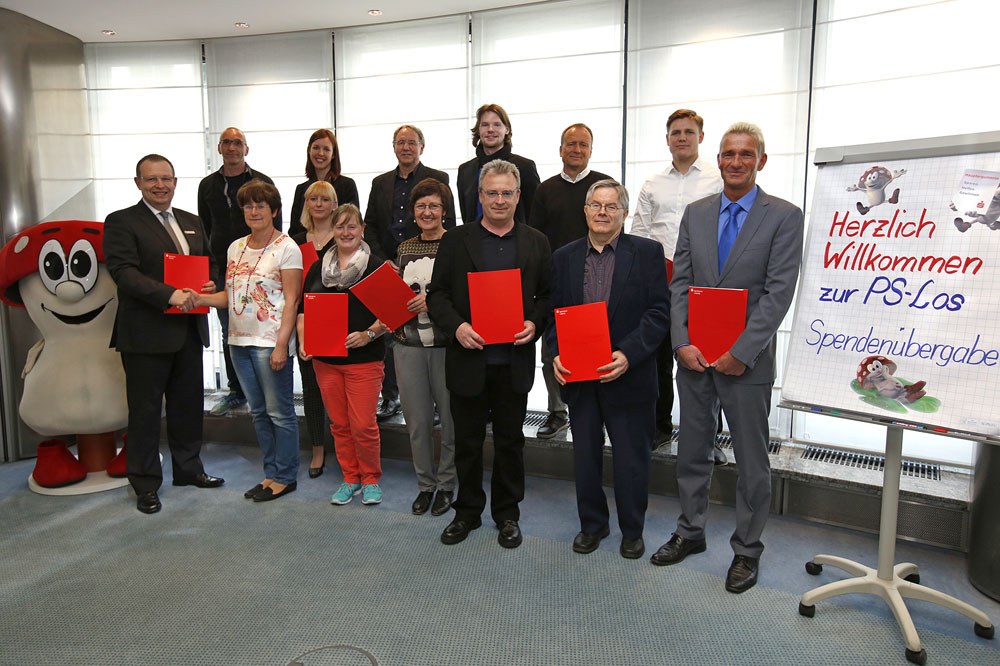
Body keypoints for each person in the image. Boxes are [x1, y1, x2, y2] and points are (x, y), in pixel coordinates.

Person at [651, 123, 803, 594]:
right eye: (728, 154)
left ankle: (746, 551)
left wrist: (741, 352)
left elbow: (778, 295)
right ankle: (690, 531)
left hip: (747, 363)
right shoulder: (695, 214)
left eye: (746, 154)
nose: (736, 161)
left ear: (761, 160)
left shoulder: (784, 216)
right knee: (692, 452)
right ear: (717, 160)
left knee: (752, 462)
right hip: (696, 358)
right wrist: (681, 343)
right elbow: (680, 285)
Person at [427, 159, 551, 549]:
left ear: (518, 196)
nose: (499, 200)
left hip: (512, 362)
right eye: (492, 193)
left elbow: (547, 297)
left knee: (511, 442)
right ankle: (467, 512)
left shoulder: (536, 241)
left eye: (507, 193)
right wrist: (458, 327)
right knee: (465, 441)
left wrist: (535, 323)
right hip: (468, 359)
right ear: (479, 196)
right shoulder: (456, 240)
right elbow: (438, 296)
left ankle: (507, 514)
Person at [548, 179, 669, 559]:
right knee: (585, 456)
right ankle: (593, 525)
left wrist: (628, 354)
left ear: (624, 213)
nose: (602, 212)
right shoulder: (564, 256)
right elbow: (554, 315)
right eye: (596, 205)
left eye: (611, 206)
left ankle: (632, 531)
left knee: (632, 460)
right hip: (580, 377)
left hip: (628, 374)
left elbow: (658, 313)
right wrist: (554, 353)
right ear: (585, 211)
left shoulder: (648, 253)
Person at [103, 154, 224, 514]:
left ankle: (188, 470)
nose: (160, 185)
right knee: (145, 412)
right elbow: (123, 272)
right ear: (138, 182)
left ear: (175, 181)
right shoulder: (121, 221)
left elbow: (211, 263)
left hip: (188, 328)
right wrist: (168, 294)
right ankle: (144, 483)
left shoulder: (191, 221)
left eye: (166, 178)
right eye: (152, 179)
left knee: (188, 406)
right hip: (145, 333)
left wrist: (210, 283)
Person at [196, 180, 302, 502]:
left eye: (260, 206)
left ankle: (286, 476)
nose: (253, 211)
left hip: (270, 342)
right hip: (238, 341)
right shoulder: (235, 248)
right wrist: (198, 298)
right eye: (248, 206)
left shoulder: (287, 248)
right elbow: (229, 298)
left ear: (274, 211)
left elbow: (292, 301)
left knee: (279, 412)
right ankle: (270, 474)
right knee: (258, 412)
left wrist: (283, 345)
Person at [632, 109, 725, 459]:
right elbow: (640, 232)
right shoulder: (653, 183)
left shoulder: (718, 181)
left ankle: (707, 436)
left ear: (701, 137)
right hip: (660, 278)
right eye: (675, 132)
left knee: (705, 360)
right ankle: (659, 428)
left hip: (705, 280)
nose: (682, 137)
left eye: (688, 132)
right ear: (667, 138)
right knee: (657, 361)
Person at [362, 124, 456, 421]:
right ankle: (392, 397)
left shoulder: (438, 178)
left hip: (430, 263)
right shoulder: (380, 183)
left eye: (411, 142)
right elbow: (371, 225)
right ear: (394, 147)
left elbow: (449, 223)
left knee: (434, 327)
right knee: (394, 331)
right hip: (391, 264)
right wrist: (383, 260)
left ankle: (441, 403)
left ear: (421, 147)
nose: (406, 147)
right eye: (400, 142)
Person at [297, 204, 388, 506]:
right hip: (326, 361)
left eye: (352, 227)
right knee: (338, 424)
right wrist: (304, 339)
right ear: (332, 231)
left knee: (363, 424)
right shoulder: (317, 268)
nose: (346, 232)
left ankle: (371, 478)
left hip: (365, 361)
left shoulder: (374, 266)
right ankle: (350, 477)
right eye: (340, 227)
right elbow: (302, 311)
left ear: (362, 229)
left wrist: (368, 334)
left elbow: (393, 313)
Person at [529, 123, 612, 439]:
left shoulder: (604, 188)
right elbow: (536, 238)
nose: (577, 149)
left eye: (583, 145)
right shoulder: (545, 189)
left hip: (599, 279)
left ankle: (598, 412)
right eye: (571, 144)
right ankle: (557, 411)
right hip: (557, 282)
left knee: (599, 347)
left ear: (591, 150)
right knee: (553, 351)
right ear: (560, 149)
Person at [198, 127, 281, 417]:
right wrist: (211, 269)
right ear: (219, 148)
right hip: (225, 268)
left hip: (261, 268)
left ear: (247, 149)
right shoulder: (207, 185)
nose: (232, 147)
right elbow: (205, 229)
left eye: (238, 143)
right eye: (227, 143)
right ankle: (237, 390)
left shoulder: (262, 182)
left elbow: (276, 226)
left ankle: (264, 389)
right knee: (229, 330)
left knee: (263, 327)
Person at [394, 178, 457, 517]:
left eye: (434, 206)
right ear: (413, 211)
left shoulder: (458, 244)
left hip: (449, 346)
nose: (427, 212)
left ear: (444, 210)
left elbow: (463, 295)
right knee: (417, 422)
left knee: (449, 421)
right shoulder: (404, 249)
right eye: (421, 206)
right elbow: (395, 294)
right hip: (408, 345)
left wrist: (431, 303)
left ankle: (447, 485)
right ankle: (425, 486)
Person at [290, 181, 339, 478]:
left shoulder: (345, 235)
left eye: (325, 199)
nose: (318, 204)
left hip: (339, 320)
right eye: (313, 199)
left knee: (338, 387)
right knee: (311, 388)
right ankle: (318, 449)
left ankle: (347, 448)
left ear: (334, 204)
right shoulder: (294, 241)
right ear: (306, 204)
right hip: (305, 320)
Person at [456, 104, 539, 225]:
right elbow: (467, 215)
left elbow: (534, 213)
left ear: (507, 129)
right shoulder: (465, 170)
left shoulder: (525, 167)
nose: (490, 129)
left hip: (516, 240)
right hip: (475, 241)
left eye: (497, 124)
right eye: (485, 125)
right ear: (478, 130)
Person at [287, 129, 359, 237]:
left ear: (333, 154)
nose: (320, 153)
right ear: (309, 151)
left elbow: (353, 225)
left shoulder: (347, 185)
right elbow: (294, 230)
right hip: (307, 249)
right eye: (316, 148)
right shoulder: (301, 189)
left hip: (339, 247)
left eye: (326, 149)